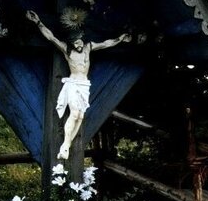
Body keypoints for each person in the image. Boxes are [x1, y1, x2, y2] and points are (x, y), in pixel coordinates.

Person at [26, 9, 130, 159]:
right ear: (71, 43)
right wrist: (38, 22)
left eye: (79, 42)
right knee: (74, 114)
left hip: (84, 85)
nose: (78, 45)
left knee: (80, 117)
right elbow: (51, 38)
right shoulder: (67, 50)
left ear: (82, 39)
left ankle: (66, 146)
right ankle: (64, 147)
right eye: (75, 43)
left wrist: (119, 39)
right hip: (73, 84)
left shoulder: (88, 48)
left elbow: (106, 44)